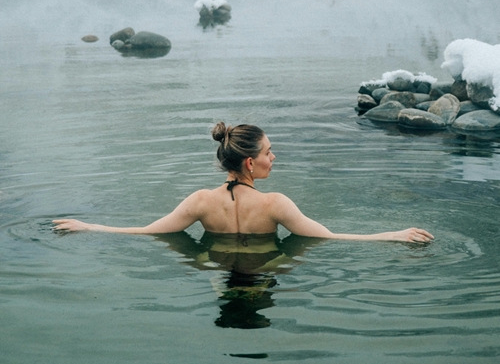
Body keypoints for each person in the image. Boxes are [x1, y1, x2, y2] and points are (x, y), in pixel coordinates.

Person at [53, 122, 434, 243]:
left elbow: (147, 231)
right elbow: (329, 238)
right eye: (270, 152)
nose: (274, 157)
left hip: (216, 269)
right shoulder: (276, 205)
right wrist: (394, 234)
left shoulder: (201, 201)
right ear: (251, 163)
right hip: (265, 270)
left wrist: (90, 226)